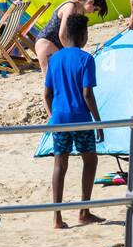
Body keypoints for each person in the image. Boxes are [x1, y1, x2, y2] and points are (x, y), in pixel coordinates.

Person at [43, 13, 105, 229]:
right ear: (82, 35)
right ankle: (84, 211)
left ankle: (56, 217)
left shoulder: (55, 59)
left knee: (60, 164)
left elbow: (47, 94)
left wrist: (53, 115)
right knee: (90, 160)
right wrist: (98, 121)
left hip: (59, 119)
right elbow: (87, 94)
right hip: (80, 119)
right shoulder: (86, 59)